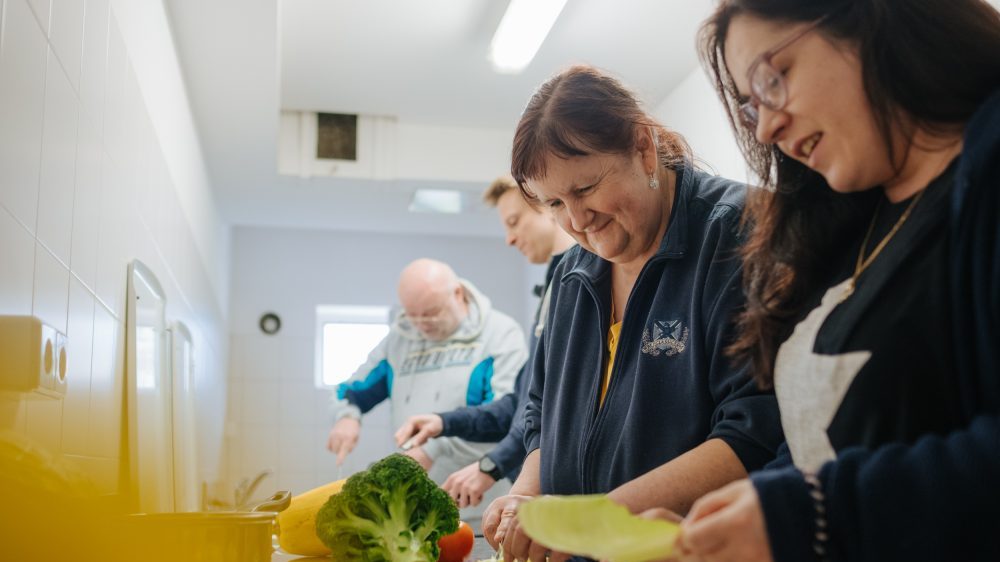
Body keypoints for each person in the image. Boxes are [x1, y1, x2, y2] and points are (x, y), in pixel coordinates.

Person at [661, 1, 1000, 561]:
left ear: (874, 20)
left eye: (775, 78)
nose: (767, 125)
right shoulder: (848, 223)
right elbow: (824, 443)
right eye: (751, 107)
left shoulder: (984, 171)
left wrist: (810, 513)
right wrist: (725, 522)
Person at [481, 65, 784, 562]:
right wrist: (526, 497)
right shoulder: (572, 273)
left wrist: (593, 520)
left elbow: (754, 430)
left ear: (643, 147)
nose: (576, 222)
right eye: (555, 202)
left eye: (586, 189)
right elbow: (539, 411)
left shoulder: (740, 234)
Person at [393, 176, 576, 509]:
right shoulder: (555, 283)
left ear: (549, 206)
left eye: (514, 222)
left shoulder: (577, 282)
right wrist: (444, 422)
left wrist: (490, 465)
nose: (508, 239)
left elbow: (555, 407)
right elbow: (521, 403)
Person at [326, 258, 528, 514]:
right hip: (412, 504)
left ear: (457, 294)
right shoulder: (400, 339)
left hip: (479, 504)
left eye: (431, 312)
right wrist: (346, 417)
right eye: (413, 315)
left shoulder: (500, 334)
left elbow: (503, 419)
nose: (422, 324)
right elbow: (350, 392)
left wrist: (431, 449)